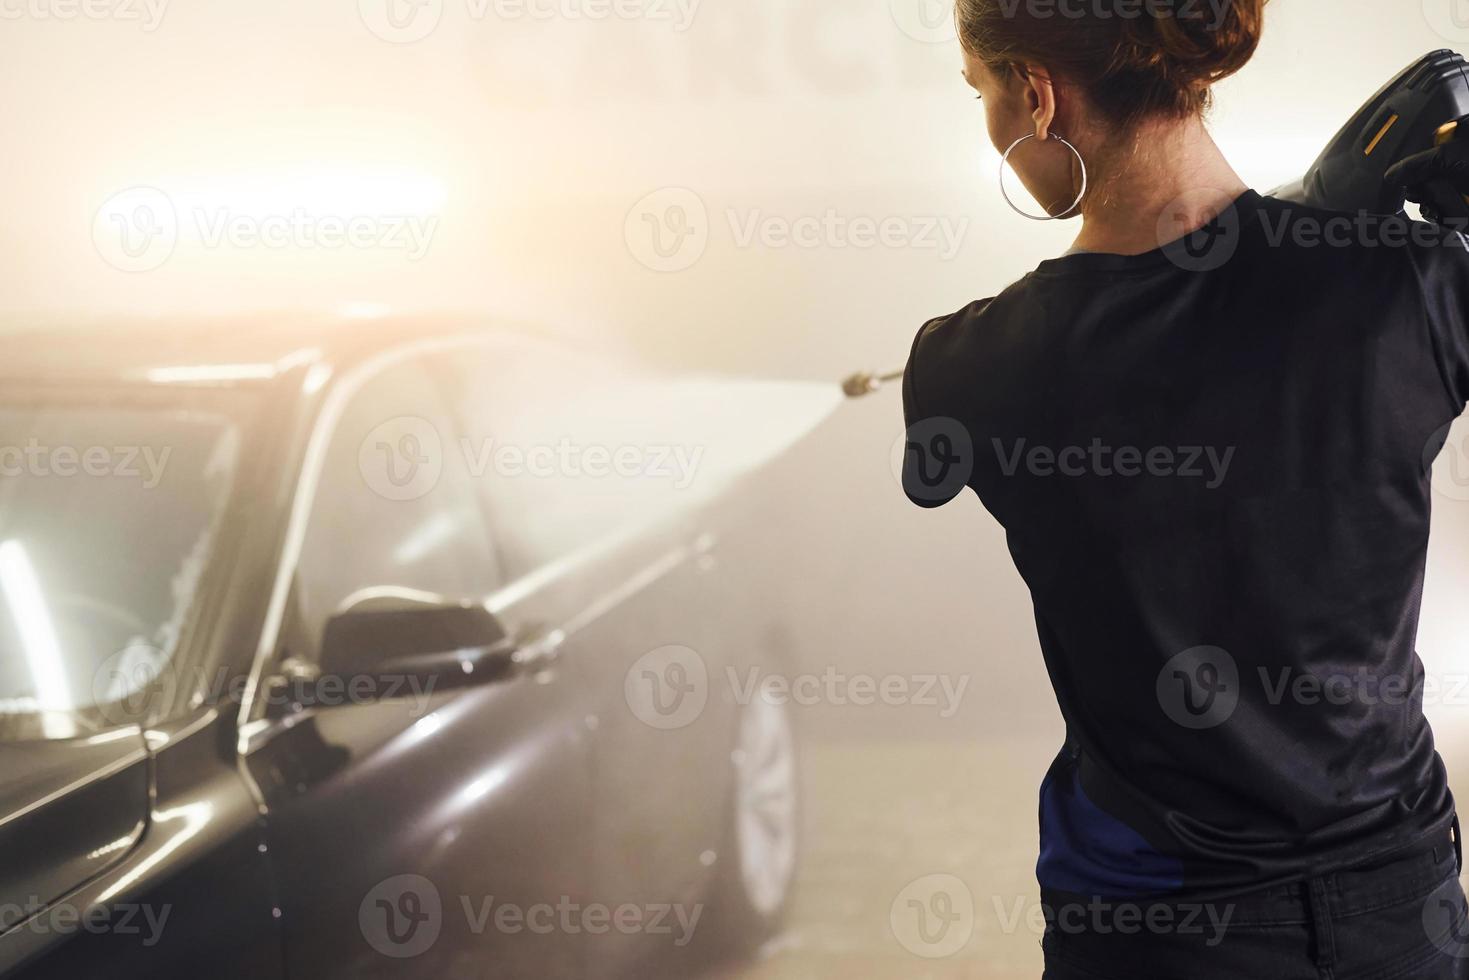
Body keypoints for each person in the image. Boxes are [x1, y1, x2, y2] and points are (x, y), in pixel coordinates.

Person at [900, 2, 1469, 977]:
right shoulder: (1411, 289)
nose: (990, 124)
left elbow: (935, 471)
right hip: (1401, 905)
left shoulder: (970, 364)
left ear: (1036, 94)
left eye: (981, 92)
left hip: (1156, 933)